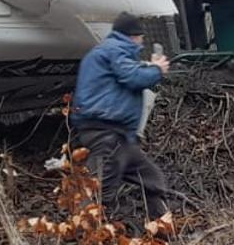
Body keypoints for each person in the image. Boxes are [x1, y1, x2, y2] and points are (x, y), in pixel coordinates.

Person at [70, 12, 182, 223]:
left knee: (152, 179)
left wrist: (149, 69)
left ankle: (162, 232)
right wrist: (157, 70)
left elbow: (127, 75)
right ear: (134, 35)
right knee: (100, 194)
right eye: (140, 37)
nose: (141, 42)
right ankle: (85, 243)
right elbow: (131, 77)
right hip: (106, 133)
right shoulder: (115, 50)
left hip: (119, 136)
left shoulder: (109, 52)